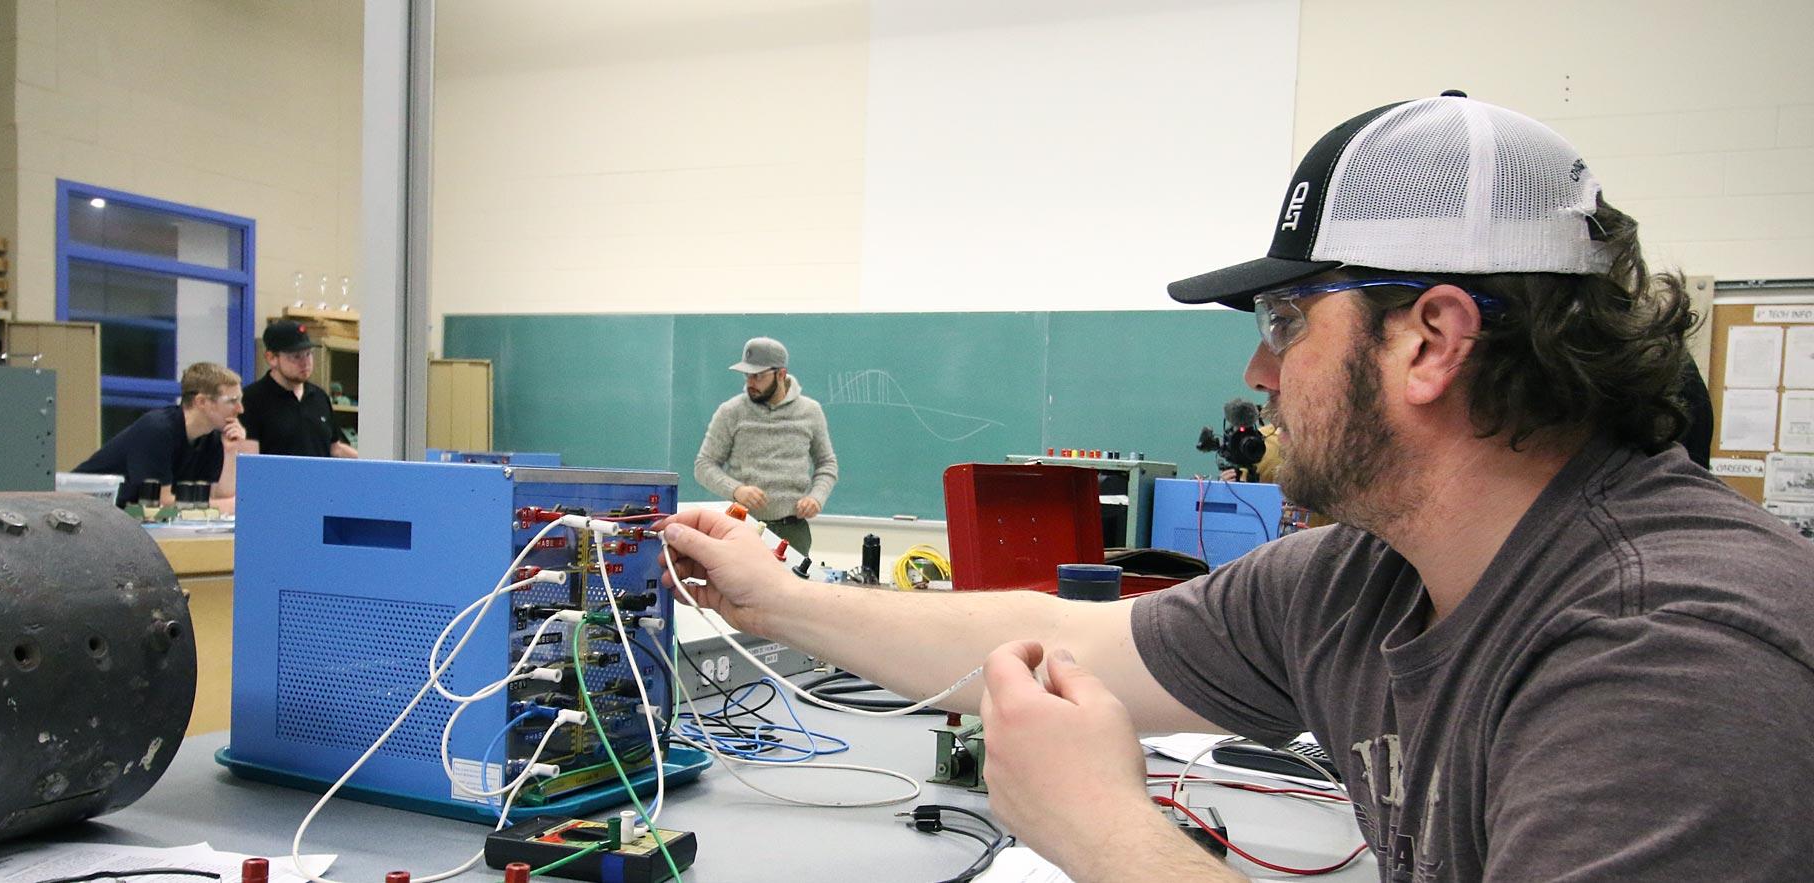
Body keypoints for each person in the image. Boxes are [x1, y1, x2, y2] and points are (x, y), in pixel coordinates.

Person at [659, 93, 1814, 881]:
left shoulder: (1670, 651)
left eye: (1284, 318)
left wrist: (1112, 834)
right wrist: (776, 600)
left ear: (1432, 341)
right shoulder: (1366, 579)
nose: (1257, 370)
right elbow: (1060, 637)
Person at [693, 337, 837, 556]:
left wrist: (816, 497)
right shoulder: (731, 411)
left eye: (758, 376)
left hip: (792, 531)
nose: (751, 382)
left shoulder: (810, 412)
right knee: (739, 589)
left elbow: (827, 464)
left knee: (791, 590)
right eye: (747, 375)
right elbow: (704, 465)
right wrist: (736, 490)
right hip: (742, 525)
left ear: (780, 374)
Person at [74, 361, 247, 512]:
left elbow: (219, 495)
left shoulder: (211, 437)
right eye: (232, 401)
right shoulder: (157, 430)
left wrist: (231, 451)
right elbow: (160, 504)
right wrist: (224, 506)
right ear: (201, 402)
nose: (240, 409)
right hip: (82, 510)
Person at [240, 319, 359, 459]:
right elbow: (249, 460)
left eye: (308, 354)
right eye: (296, 356)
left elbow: (335, 448)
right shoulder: (251, 400)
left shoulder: (319, 397)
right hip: (277, 480)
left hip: (318, 480)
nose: (305, 363)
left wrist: (374, 463)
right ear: (271, 358)